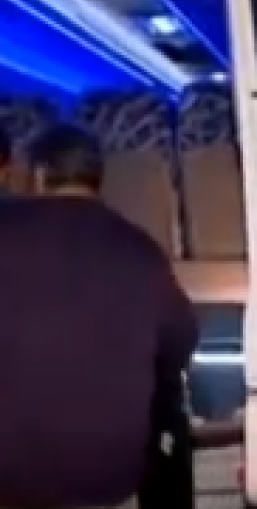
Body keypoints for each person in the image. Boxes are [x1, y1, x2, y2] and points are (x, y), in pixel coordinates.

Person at [0, 123, 198, 509]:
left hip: (9, 478)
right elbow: (180, 342)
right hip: (106, 480)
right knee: (169, 401)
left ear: (39, 175)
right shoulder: (141, 250)